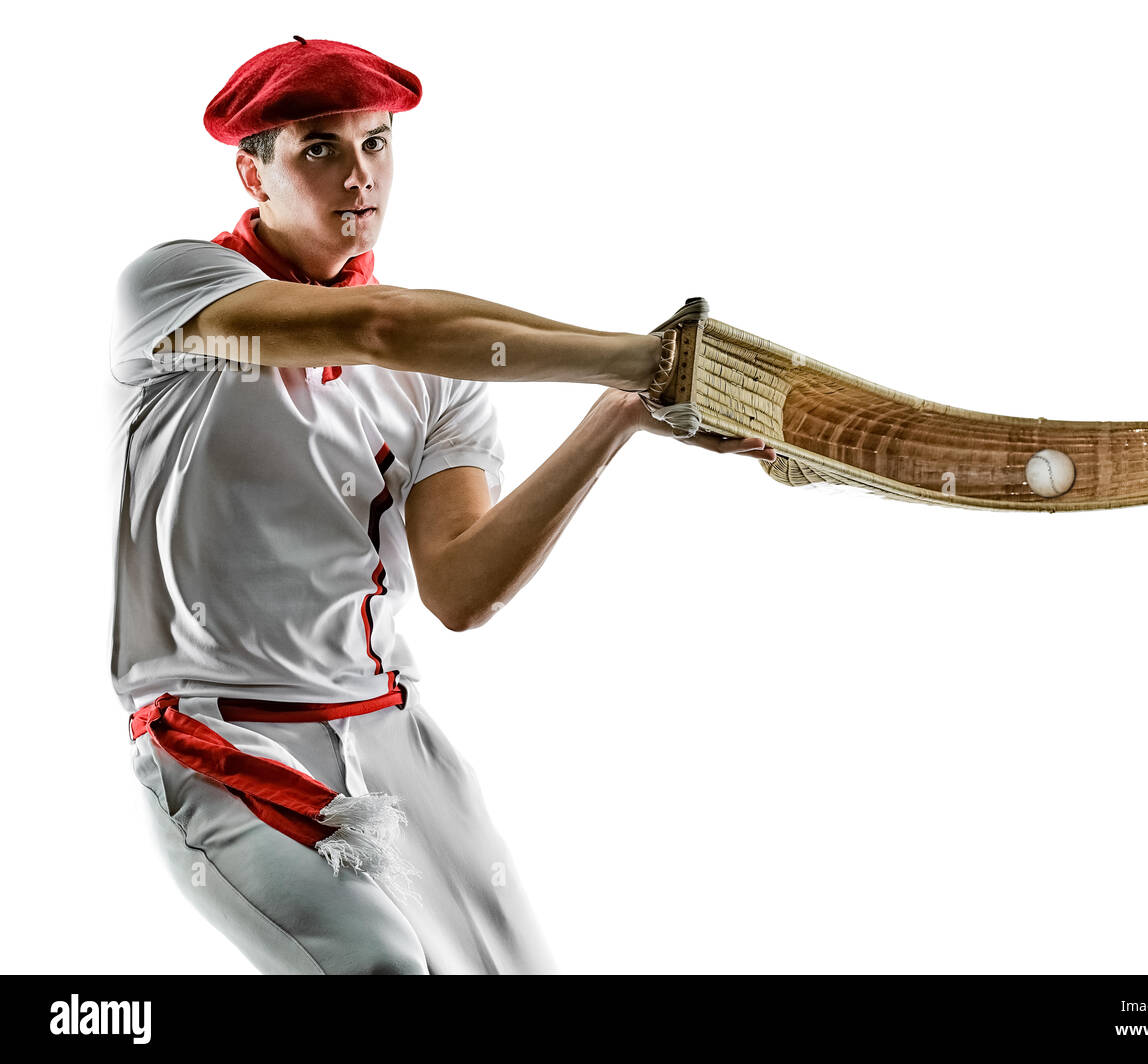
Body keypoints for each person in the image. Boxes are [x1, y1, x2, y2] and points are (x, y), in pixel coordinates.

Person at [110, 36, 776, 975]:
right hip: (221, 737)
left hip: (390, 729)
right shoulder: (173, 290)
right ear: (249, 171)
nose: (358, 176)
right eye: (319, 148)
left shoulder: (445, 372)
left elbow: (462, 587)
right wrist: (653, 356)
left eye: (376, 143)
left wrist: (620, 413)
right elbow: (381, 324)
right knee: (378, 965)